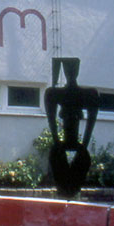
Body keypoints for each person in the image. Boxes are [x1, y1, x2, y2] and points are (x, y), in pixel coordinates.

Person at [44, 57, 99, 198]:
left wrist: (83, 146)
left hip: (73, 144)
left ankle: (69, 191)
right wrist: (57, 142)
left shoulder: (89, 94)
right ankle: (66, 190)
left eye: (73, 69)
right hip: (65, 144)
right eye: (68, 69)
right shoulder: (54, 93)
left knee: (76, 163)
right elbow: (51, 118)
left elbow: (91, 121)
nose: (71, 73)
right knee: (58, 158)